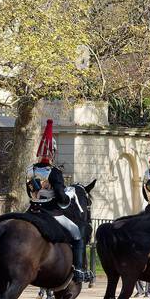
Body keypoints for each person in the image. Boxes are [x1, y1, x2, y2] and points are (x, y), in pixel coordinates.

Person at [27, 119, 90, 283]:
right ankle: (78, 270)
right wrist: (67, 197)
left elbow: (28, 191)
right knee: (77, 234)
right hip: (50, 213)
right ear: (53, 152)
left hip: (31, 210)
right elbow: (62, 198)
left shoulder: (29, 170)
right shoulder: (54, 172)